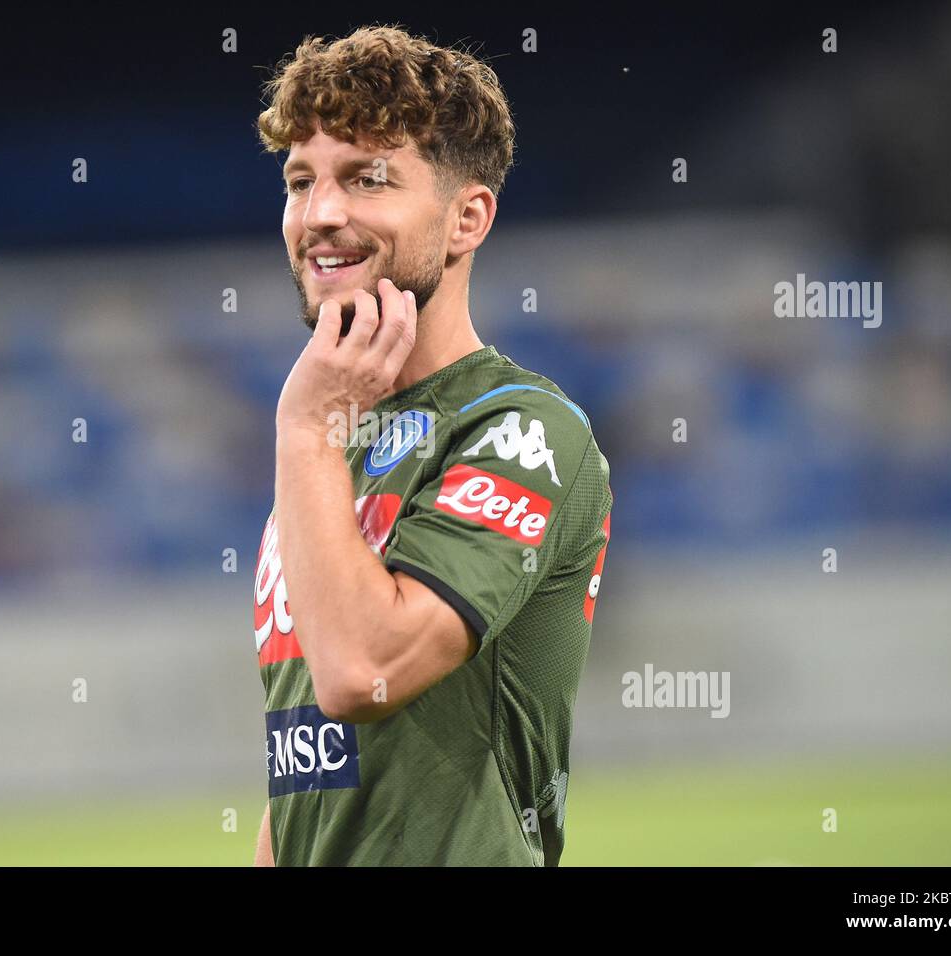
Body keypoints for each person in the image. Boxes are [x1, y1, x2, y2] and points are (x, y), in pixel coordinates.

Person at [252, 24, 612, 866]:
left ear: (467, 218)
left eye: (367, 178)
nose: (321, 215)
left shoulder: (522, 430)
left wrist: (304, 431)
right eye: (300, 182)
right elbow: (307, 760)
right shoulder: (331, 436)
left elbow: (357, 672)